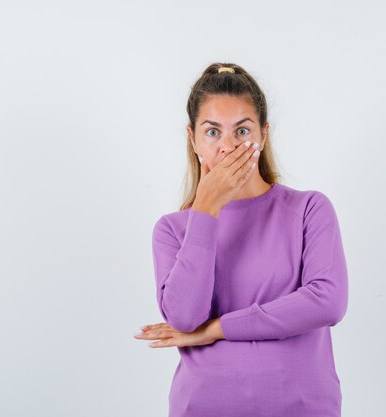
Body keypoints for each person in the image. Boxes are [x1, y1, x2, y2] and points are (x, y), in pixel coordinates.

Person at [134, 62, 349, 417]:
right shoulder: (173, 230)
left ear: (263, 135)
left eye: (242, 130)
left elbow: (327, 302)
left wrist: (217, 329)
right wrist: (205, 210)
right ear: (193, 138)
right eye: (213, 132)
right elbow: (186, 318)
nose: (229, 146)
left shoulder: (310, 209)